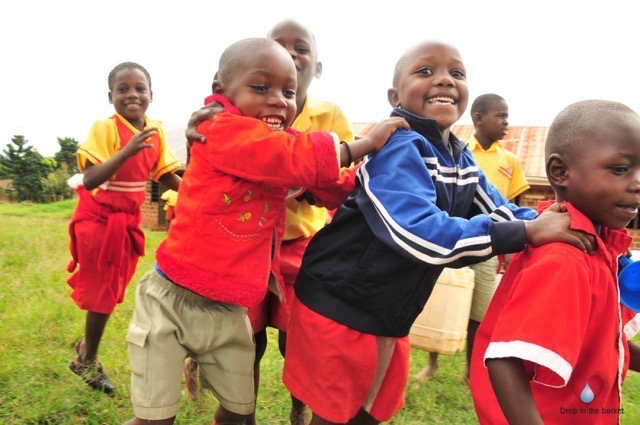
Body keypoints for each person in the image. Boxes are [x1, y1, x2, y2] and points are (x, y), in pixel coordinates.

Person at [281, 40, 595, 425]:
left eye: (457, 73)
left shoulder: (458, 155)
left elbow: (499, 208)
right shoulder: (399, 148)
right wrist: (526, 231)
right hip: (342, 302)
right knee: (336, 415)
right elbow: (420, 233)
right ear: (395, 96)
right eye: (426, 72)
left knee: (371, 410)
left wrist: (558, 218)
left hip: (387, 308)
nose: (445, 80)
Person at [124, 37, 408, 425]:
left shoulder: (283, 143)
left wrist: (381, 169)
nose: (278, 99)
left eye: (288, 91)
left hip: (229, 309)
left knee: (240, 411)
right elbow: (294, 159)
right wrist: (365, 143)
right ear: (222, 92)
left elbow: (330, 183)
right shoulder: (216, 128)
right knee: (155, 419)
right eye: (261, 88)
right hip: (172, 302)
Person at [183, 19, 355, 425]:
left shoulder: (328, 115)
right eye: (279, 45)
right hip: (243, 247)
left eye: (301, 48)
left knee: (302, 340)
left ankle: (300, 406)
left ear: (317, 65)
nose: (291, 54)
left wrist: (307, 177)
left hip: (303, 247)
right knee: (246, 341)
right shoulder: (233, 113)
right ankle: (244, 412)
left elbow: (343, 174)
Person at [470, 99, 640, 424]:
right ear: (560, 172)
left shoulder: (597, 246)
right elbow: (505, 360)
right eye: (620, 169)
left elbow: (600, 346)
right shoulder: (566, 257)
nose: (636, 182)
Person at [66, 62, 181, 395]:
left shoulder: (155, 132)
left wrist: (197, 194)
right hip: (98, 218)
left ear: (151, 95)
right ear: (111, 96)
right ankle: (86, 360)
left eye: (139, 88)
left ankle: (85, 352)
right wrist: (127, 150)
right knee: (102, 292)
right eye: (123, 89)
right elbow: (90, 179)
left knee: (112, 289)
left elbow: (165, 176)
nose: (132, 95)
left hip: (126, 222)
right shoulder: (106, 128)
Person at [416, 93, 530, 383]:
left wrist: (517, 238)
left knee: (480, 312)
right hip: (452, 239)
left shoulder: (510, 160)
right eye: (500, 116)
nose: (506, 122)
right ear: (478, 118)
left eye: (507, 116)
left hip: (490, 245)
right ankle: (432, 363)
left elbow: (512, 203)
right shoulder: (459, 150)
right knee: (441, 302)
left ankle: (471, 372)